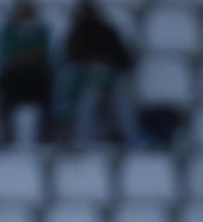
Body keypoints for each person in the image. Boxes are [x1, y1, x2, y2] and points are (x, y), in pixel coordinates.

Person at [55, 1, 143, 147]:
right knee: (88, 97)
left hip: (111, 77)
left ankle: (133, 139)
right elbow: (70, 59)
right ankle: (82, 140)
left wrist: (107, 62)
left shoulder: (108, 32)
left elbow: (124, 59)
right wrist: (90, 62)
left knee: (123, 96)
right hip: (86, 79)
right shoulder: (76, 34)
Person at [0, 2, 53, 141]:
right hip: (15, 74)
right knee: (5, 85)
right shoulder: (8, 31)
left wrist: (28, 56)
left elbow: (43, 52)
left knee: (47, 85)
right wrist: (24, 56)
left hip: (36, 74)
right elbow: (8, 52)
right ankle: (6, 133)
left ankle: (46, 134)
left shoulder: (41, 31)